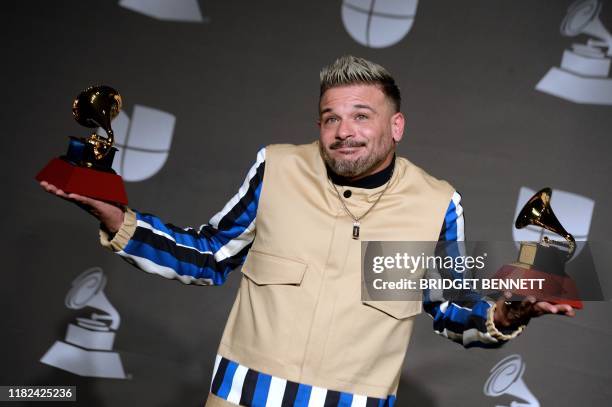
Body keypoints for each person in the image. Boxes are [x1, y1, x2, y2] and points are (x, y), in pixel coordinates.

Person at [40, 55, 575, 407]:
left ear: (396, 126)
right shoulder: (277, 167)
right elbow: (208, 255)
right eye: (330, 118)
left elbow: (453, 309)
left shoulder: (438, 203)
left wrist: (507, 312)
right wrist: (118, 220)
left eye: (362, 116)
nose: (344, 132)